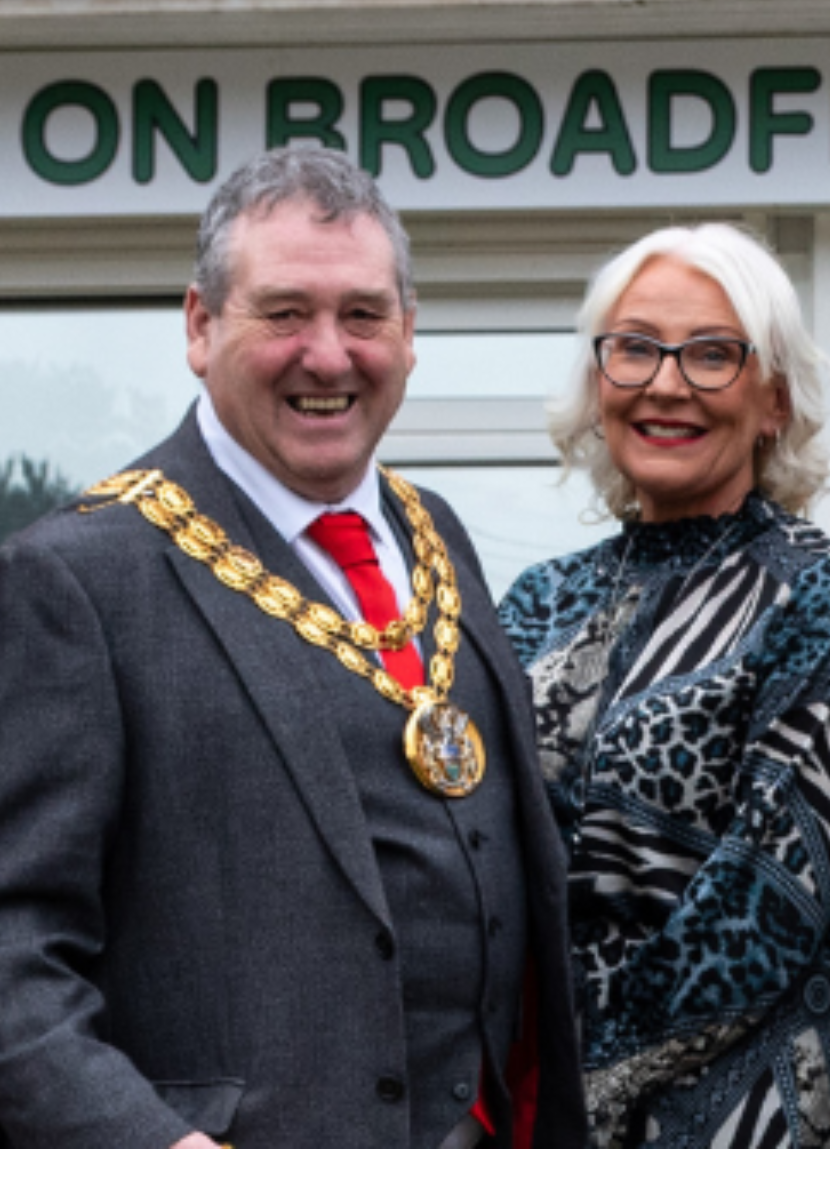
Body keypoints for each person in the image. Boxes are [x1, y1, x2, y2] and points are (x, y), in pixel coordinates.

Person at [0, 147, 585, 1149]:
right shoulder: (78, 578)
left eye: (362, 314)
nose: (328, 355)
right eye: (284, 314)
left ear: (408, 333)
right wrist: (157, 1157)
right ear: (199, 326)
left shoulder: (437, 531)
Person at [498, 223, 830, 1148]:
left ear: (774, 402)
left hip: (742, 1120)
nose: (666, 383)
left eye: (712, 355)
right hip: (534, 1104)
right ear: (600, 385)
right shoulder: (535, 601)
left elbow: (762, 911)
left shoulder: (826, 599)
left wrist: (570, 1086)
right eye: (635, 348)